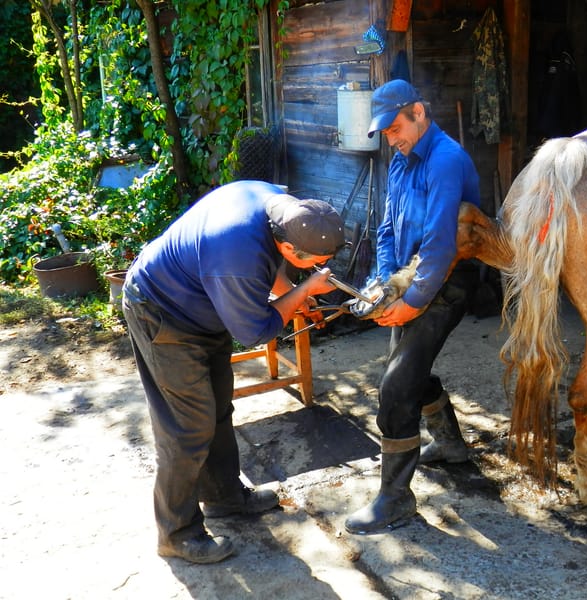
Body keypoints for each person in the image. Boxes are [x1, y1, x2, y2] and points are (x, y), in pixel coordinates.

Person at [122, 180, 345, 563]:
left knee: (218, 410)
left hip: (203, 306)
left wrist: (293, 288)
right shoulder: (235, 257)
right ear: (291, 247)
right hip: (162, 313)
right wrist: (304, 291)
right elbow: (255, 331)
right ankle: (176, 533)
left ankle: (223, 496)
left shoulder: (279, 207)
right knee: (187, 428)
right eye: (316, 262)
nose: (323, 268)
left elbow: (273, 260)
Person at [345, 80, 481, 534]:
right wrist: (385, 285)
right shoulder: (401, 162)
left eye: (396, 127)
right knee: (408, 371)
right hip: (407, 278)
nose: (391, 138)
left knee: (396, 387)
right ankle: (453, 447)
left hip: (446, 283)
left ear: (419, 111)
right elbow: (385, 229)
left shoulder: (446, 160)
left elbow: (441, 246)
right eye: (385, 132)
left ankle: (396, 499)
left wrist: (412, 302)